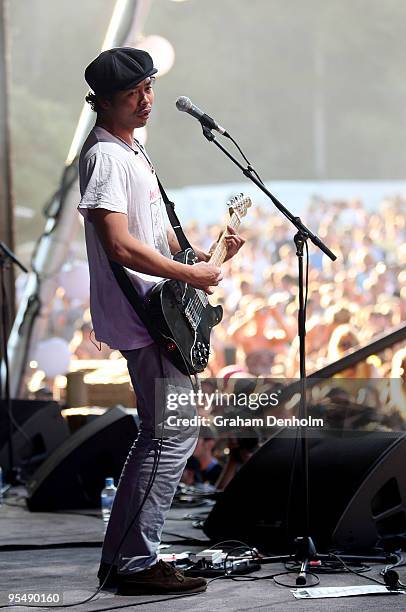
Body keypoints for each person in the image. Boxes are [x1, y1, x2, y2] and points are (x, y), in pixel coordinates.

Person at [78, 47, 244, 596]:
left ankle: (128, 556)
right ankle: (133, 562)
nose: (147, 99)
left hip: (160, 314)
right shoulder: (105, 156)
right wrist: (191, 277)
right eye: (135, 92)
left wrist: (202, 256)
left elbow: (154, 232)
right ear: (104, 101)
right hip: (145, 318)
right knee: (170, 436)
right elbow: (120, 243)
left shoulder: (133, 150)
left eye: (149, 87)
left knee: (166, 434)